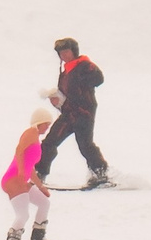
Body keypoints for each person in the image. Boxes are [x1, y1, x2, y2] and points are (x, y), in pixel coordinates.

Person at [40, 37, 109, 185]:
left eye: (66, 51)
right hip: (68, 114)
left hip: (84, 114)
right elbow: (66, 96)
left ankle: (100, 175)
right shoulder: (65, 72)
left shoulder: (84, 65)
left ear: (74, 51)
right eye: (60, 53)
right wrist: (58, 101)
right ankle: (39, 173)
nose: (63, 55)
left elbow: (98, 78)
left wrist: (82, 83)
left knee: (85, 145)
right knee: (49, 142)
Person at [1, 104, 58, 240]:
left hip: (21, 179)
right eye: (47, 124)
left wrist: (40, 186)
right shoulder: (31, 133)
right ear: (41, 122)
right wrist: (20, 172)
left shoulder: (35, 138)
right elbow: (19, 150)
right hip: (14, 179)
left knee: (44, 203)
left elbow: (30, 167)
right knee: (23, 214)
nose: (48, 127)